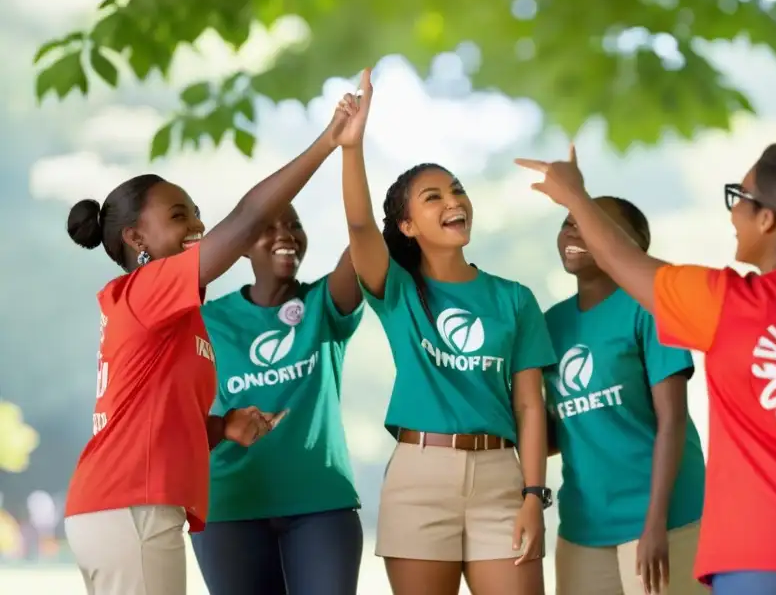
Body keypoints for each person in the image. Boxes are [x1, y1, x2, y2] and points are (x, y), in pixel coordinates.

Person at [516, 143, 776, 595]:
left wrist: (574, 196)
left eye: (737, 197)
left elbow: (622, 260)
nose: (731, 212)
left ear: (767, 219)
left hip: (760, 559)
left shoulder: (726, 304)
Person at [62, 98, 351, 595]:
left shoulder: (169, 314)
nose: (198, 226)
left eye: (197, 212)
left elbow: (156, 420)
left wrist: (220, 427)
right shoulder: (148, 289)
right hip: (131, 507)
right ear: (137, 238)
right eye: (179, 216)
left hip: (122, 507)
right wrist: (329, 141)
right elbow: (248, 217)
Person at [337, 70, 557, 595]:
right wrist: (351, 146)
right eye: (432, 197)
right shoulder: (396, 289)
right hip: (419, 479)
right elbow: (362, 227)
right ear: (408, 225)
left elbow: (529, 406)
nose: (452, 200)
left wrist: (534, 495)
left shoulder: (513, 298)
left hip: (502, 480)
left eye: (455, 190)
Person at [190, 203, 365, 595]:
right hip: (230, 504)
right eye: (268, 228)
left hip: (320, 503)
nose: (286, 235)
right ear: (242, 246)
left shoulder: (326, 304)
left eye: (294, 226)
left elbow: (363, 235)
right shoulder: (207, 320)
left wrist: (350, 151)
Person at [545, 196, 706, 595]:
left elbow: (673, 420)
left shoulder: (649, 308)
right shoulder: (551, 325)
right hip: (583, 529)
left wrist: (654, 525)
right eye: (568, 222)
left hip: (666, 521)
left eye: (588, 222)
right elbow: (559, 432)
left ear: (633, 244)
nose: (572, 232)